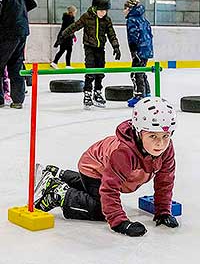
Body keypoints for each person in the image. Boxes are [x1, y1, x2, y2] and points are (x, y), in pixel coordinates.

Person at [34, 97, 179, 237]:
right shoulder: (124, 153)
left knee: (99, 194)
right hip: (94, 169)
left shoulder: (166, 149)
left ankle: (61, 174)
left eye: (165, 136)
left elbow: (165, 181)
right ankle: (58, 192)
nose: (160, 144)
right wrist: (119, 222)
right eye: (153, 136)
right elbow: (109, 189)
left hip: (105, 170)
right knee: (101, 209)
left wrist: (163, 211)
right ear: (139, 132)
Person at [58, 0, 121, 110]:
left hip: (100, 47)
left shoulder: (107, 20)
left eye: (105, 10)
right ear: (95, 8)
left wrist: (116, 47)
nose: (103, 13)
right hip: (89, 47)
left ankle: (97, 92)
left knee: (100, 71)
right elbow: (75, 26)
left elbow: (112, 34)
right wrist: (63, 35)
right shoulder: (87, 17)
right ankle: (87, 94)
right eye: (101, 10)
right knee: (90, 70)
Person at [0, 0, 37, 109]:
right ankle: (18, 100)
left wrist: (9, 16)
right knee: (16, 65)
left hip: (6, 32)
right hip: (22, 30)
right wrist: (18, 14)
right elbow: (33, 2)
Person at [123, 0, 154, 107]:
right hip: (146, 50)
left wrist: (134, 50)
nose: (123, 11)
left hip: (139, 50)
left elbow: (133, 35)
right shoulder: (143, 19)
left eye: (125, 8)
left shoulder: (132, 20)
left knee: (135, 73)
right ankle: (147, 93)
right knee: (141, 72)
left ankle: (139, 96)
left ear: (130, 8)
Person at [50, 5, 77, 69]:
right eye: (74, 12)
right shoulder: (69, 19)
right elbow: (69, 29)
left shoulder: (67, 18)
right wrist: (73, 35)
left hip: (65, 37)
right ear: (71, 12)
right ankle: (56, 63)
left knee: (65, 50)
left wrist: (73, 36)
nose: (75, 13)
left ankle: (63, 64)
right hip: (66, 37)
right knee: (64, 50)